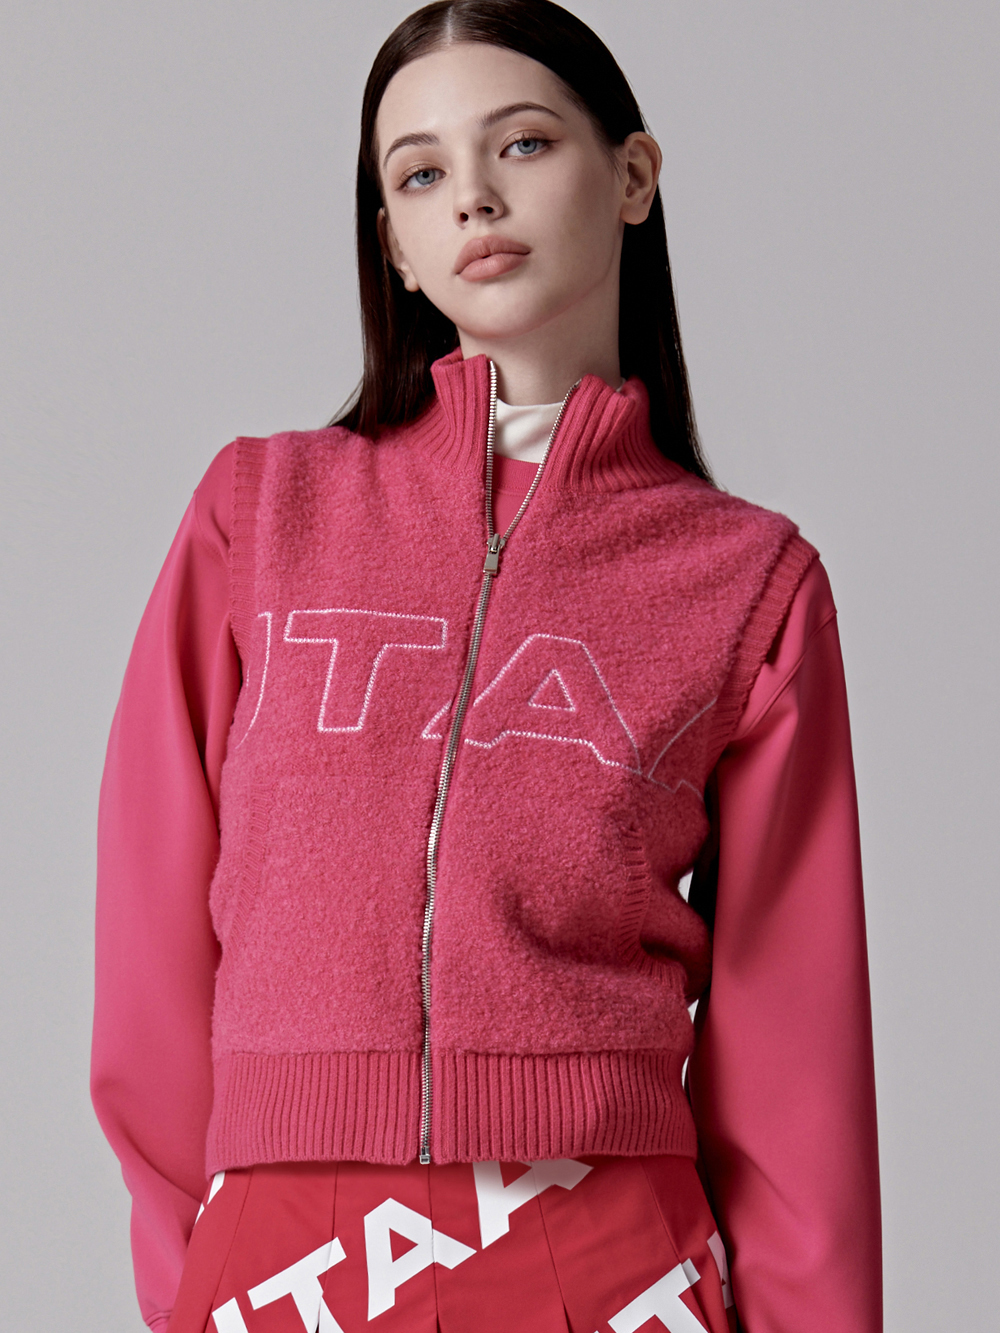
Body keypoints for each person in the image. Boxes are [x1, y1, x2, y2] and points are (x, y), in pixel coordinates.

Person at [91, 3, 881, 1331]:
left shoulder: (745, 579)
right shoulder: (260, 515)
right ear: (393, 246)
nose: (471, 197)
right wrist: (193, 1285)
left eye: (521, 143)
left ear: (632, 176)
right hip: (282, 1256)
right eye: (419, 174)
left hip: (604, 1255)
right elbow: (152, 935)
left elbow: (795, 1047)